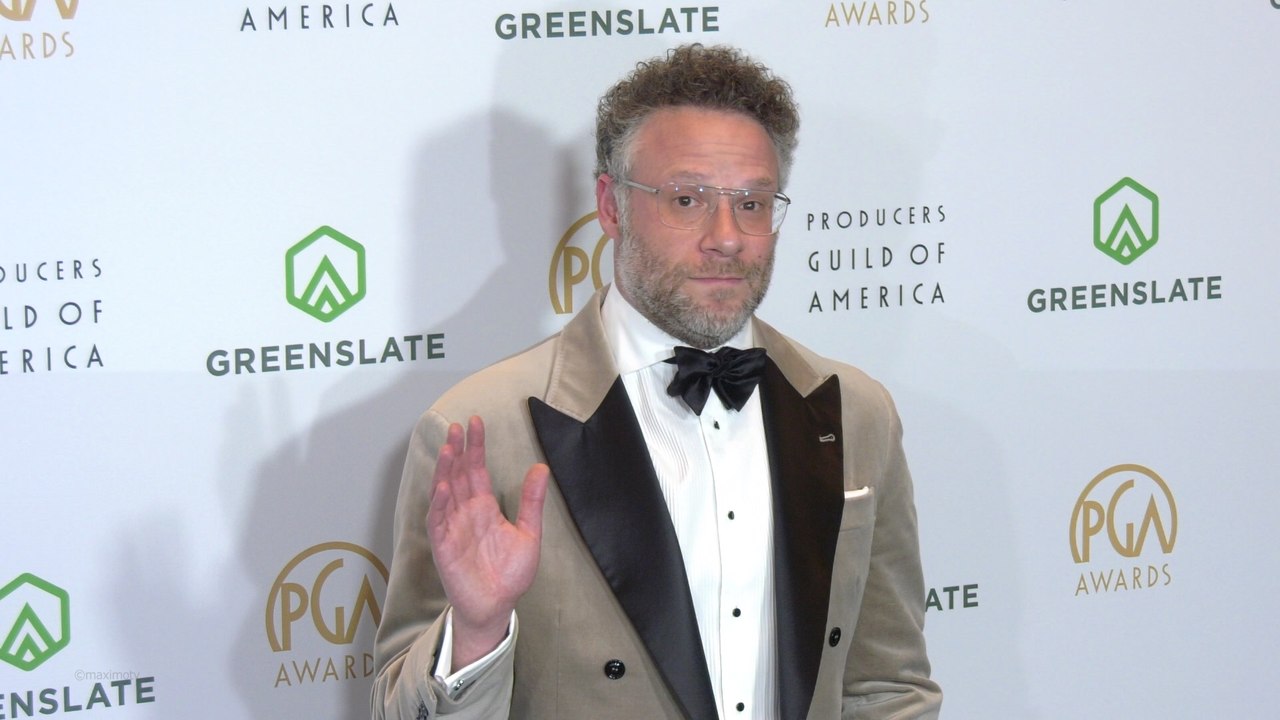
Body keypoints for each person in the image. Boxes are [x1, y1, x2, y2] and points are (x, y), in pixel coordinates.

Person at [372, 44, 942, 719]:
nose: (727, 237)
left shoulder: (856, 412)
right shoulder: (483, 428)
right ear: (612, 206)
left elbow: (888, 685)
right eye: (687, 199)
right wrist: (475, 633)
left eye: (753, 204)